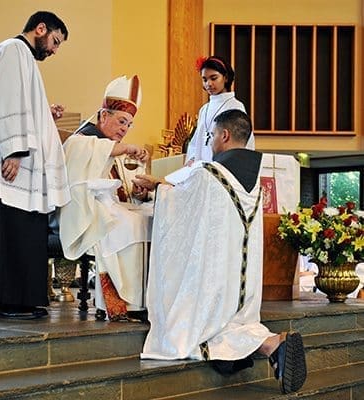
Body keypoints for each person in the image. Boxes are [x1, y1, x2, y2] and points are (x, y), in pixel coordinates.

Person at [134, 110, 307, 395]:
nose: (211, 142)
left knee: (199, 331)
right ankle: (271, 345)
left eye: (212, 135)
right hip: (241, 282)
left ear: (224, 135)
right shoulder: (255, 181)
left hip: (215, 276)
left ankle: (273, 344)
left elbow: (179, 207)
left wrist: (157, 188)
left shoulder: (209, 172)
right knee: (235, 321)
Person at [0, 11, 71, 320]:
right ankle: (6, 301)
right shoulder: (12, 49)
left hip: (20, 163)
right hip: (13, 165)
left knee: (21, 231)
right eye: (54, 40)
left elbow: (19, 105)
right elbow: (6, 100)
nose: (53, 49)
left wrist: (44, 114)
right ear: (40, 28)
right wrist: (14, 150)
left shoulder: (21, 56)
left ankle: (16, 300)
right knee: (11, 231)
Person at [59, 76, 151, 322]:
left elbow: (120, 192)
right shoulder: (81, 141)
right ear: (103, 115)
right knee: (125, 223)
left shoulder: (108, 147)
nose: (124, 129)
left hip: (108, 207)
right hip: (83, 210)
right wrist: (126, 148)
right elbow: (81, 180)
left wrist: (139, 194)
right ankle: (117, 302)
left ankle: (142, 301)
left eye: (129, 125)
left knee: (148, 219)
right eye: (122, 121)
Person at [185, 56, 255, 164]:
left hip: (223, 167)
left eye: (213, 78)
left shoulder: (235, 107)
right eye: (205, 79)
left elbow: (243, 143)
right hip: (200, 168)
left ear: (225, 78)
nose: (208, 84)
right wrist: (192, 158)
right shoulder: (204, 109)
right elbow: (195, 142)